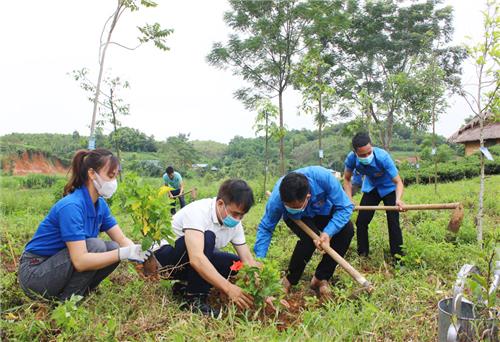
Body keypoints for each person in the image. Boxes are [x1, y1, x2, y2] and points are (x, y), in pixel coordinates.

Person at [18, 149, 150, 301]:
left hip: (57, 267)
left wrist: (138, 255)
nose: (113, 182)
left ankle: (75, 295)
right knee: (96, 246)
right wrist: (125, 253)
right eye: (110, 176)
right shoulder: (71, 206)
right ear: (92, 173)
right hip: (35, 273)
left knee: (113, 247)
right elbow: (80, 262)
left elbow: (121, 239)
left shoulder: (100, 205)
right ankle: (67, 304)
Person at [152, 179, 260, 316]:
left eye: (242, 215)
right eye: (235, 214)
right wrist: (228, 288)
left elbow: (248, 261)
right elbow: (196, 258)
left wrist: (263, 291)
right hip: (167, 260)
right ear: (220, 203)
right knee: (208, 237)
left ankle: (184, 287)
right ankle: (194, 298)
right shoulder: (199, 211)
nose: (238, 219)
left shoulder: (235, 224)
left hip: (192, 258)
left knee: (236, 263)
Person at [254, 166, 354, 298]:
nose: (291, 208)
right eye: (288, 206)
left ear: (307, 197)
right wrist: (259, 261)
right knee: (309, 239)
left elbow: (345, 207)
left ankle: (320, 278)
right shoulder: (277, 199)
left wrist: (327, 233)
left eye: (295, 206)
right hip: (297, 218)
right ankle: (288, 280)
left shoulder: (325, 178)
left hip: (323, 210)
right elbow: (266, 228)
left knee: (347, 230)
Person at [343, 132, 406, 261]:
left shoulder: (383, 157)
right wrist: (349, 198)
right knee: (361, 221)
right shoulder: (351, 159)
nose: (367, 156)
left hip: (389, 188)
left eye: (369, 152)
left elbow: (398, 182)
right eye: (362, 155)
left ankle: (398, 257)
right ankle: (363, 254)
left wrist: (398, 199)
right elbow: (347, 179)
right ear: (355, 152)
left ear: (371, 146)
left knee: (393, 221)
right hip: (372, 187)